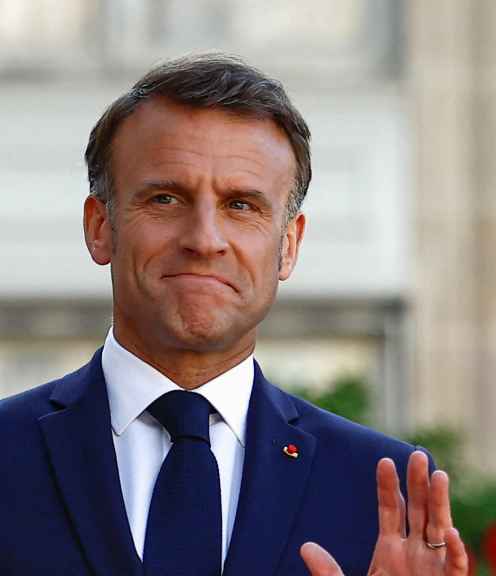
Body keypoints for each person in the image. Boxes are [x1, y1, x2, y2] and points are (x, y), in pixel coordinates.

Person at [0, 54, 468, 576]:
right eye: (165, 198)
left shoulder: (389, 494)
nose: (204, 239)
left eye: (241, 205)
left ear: (288, 246)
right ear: (100, 227)